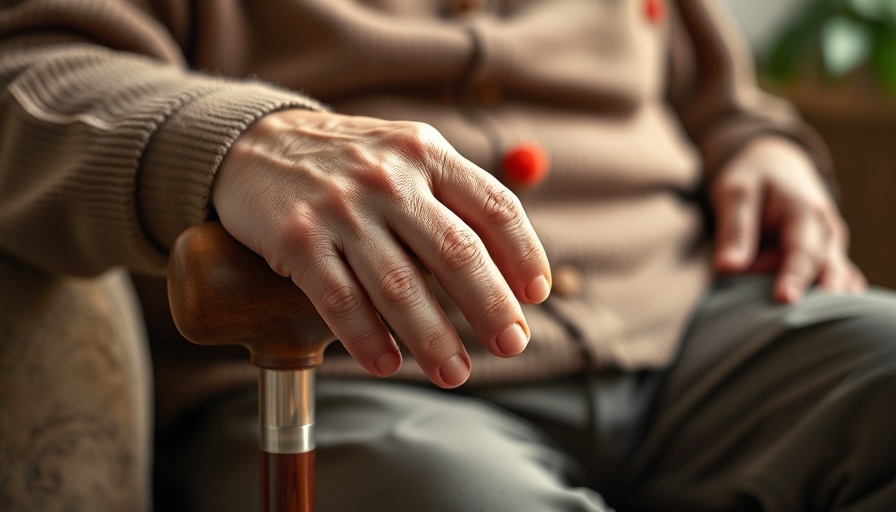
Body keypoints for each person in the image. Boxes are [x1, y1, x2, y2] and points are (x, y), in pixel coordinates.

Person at [0, 0, 893, 510]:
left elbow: (713, 86)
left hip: (704, 327)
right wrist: (242, 139)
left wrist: (761, 144)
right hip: (346, 379)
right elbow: (28, 68)